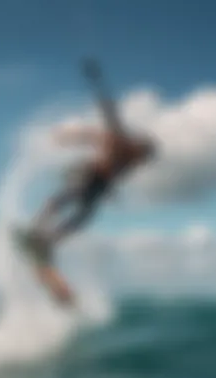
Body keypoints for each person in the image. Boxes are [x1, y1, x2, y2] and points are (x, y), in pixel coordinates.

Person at [19, 59, 157, 306]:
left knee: (83, 218)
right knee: (65, 197)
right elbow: (109, 115)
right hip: (88, 175)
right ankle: (36, 230)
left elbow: (110, 165)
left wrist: (111, 190)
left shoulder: (131, 162)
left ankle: (50, 240)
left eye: (143, 159)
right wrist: (97, 81)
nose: (141, 161)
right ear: (139, 146)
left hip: (98, 185)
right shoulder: (120, 140)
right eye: (142, 155)